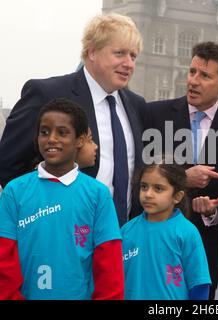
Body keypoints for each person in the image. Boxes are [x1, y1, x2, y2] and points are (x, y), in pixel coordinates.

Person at [0, 13, 146, 226]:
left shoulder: (137, 105)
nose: (128, 63)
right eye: (119, 53)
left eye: (133, 56)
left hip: (123, 242)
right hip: (59, 236)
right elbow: (8, 165)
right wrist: (46, 214)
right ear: (92, 52)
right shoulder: (47, 94)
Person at [144, 41, 218, 299]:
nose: (193, 81)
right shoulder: (154, 115)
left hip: (203, 251)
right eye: (192, 72)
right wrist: (182, 179)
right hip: (152, 244)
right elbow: (139, 174)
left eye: (205, 75)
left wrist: (213, 212)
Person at [0, 98, 124, 300]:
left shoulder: (98, 194)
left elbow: (109, 265)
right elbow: (3, 260)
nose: (51, 139)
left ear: (80, 140)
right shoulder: (15, 191)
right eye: (45, 132)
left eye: (62, 132)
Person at [121, 160, 211, 300]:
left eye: (158, 188)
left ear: (177, 196)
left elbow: (199, 285)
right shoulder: (126, 231)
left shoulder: (187, 232)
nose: (148, 194)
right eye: (144, 187)